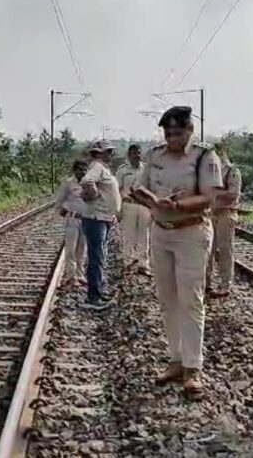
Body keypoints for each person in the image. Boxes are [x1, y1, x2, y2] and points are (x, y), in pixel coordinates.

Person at [132, 105, 222, 396]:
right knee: (168, 300)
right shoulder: (155, 155)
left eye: (178, 132)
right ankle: (176, 360)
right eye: (168, 132)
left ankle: (193, 368)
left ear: (190, 130)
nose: (172, 138)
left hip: (191, 233)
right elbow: (138, 187)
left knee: (191, 300)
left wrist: (176, 205)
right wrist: (151, 200)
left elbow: (209, 198)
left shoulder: (204, 157)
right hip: (161, 232)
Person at [79, 139, 121, 310]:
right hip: (96, 218)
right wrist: (94, 194)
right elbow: (86, 181)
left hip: (102, 218)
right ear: (99, 153)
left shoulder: (101, 167)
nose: (111, 154)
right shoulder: (97, 166)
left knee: (99, 256)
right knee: (96, 257)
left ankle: (97, 292)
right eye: (108, 151)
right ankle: (93, 297)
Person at [206, 140, 241, 298]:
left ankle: (225, 284)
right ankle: (207, 282)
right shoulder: (211, 172)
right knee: (208, 250)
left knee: (225, 250)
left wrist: (215, 194)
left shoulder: (232, 171)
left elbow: (233, 193)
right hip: (212, 214)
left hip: (226, 213)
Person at [116, 144, 152, 276]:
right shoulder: (122, 170)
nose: (137, 155)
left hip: (144, 206)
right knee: (129, 235)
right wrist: (119, 208)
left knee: (144, 236)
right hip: (129, 205)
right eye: (134, 153)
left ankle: (144, 264)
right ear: (129, 155)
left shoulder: (146, 169)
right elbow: (117, 189)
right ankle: (128, 262)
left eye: (139, 153)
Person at [55, 159, 88, 287]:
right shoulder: (68, 183)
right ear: (75, 170)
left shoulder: (89, 183)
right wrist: (64, 212)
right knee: (71, 248)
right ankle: (71, 276)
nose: (83, 172)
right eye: (80, 169)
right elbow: (60, 200)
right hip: (73, 219)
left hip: (85, 219)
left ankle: (80, 274)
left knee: (82, 248)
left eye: (85, 170)